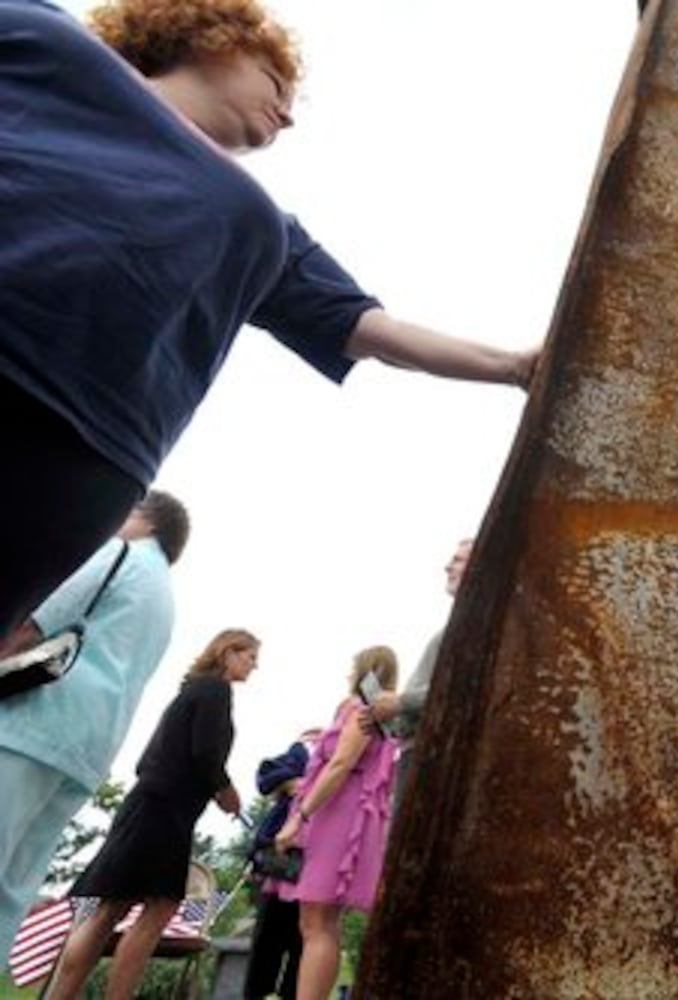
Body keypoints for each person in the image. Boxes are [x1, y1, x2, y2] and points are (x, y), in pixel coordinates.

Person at [0, 0, 539, 637]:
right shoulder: (41, 37)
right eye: (277, 85)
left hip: (81, 457)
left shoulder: (262, 232)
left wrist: (516, 367)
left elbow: (378, 333)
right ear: (217, 40)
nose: (286, 115)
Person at [0, 491, 188, 954]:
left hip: (35, 721)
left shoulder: (117, 553)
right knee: (12, 889)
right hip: (88, 749)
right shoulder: (165, 600)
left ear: (143, 518)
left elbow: (35, 625)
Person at [46, 628, 259, 1000]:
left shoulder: (191, 690)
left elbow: (155, 757)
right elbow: (206, 752)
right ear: (227, 652)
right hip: (166, 811)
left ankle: (61, 995)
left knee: (110, 908)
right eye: (249, 656)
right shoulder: (215, 690)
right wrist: (227, 791)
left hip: (146, 804)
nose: (254, 666)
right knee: (159, 908)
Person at [274, 647, 400, 1000]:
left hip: (336, 813)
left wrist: (299, 817)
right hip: (347, 812)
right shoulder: (382, 719)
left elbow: (341, 764)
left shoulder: (359, 710)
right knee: (320, 922)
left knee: (317, 922)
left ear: (364, 670)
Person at [360, 538, 472, 807]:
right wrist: (386, 718)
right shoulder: (457, 625)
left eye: (457, 560)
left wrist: (400, 702)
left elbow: (465, 688)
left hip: (431, 758)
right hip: (418, 754)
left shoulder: (472, 627)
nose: (447, 567)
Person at [242, 735, 313, 1000]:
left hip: (318, 858)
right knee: (268, 938)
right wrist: (292, 782)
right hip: (283, 854)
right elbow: (266, 774)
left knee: (304, 941)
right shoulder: (306, 747)